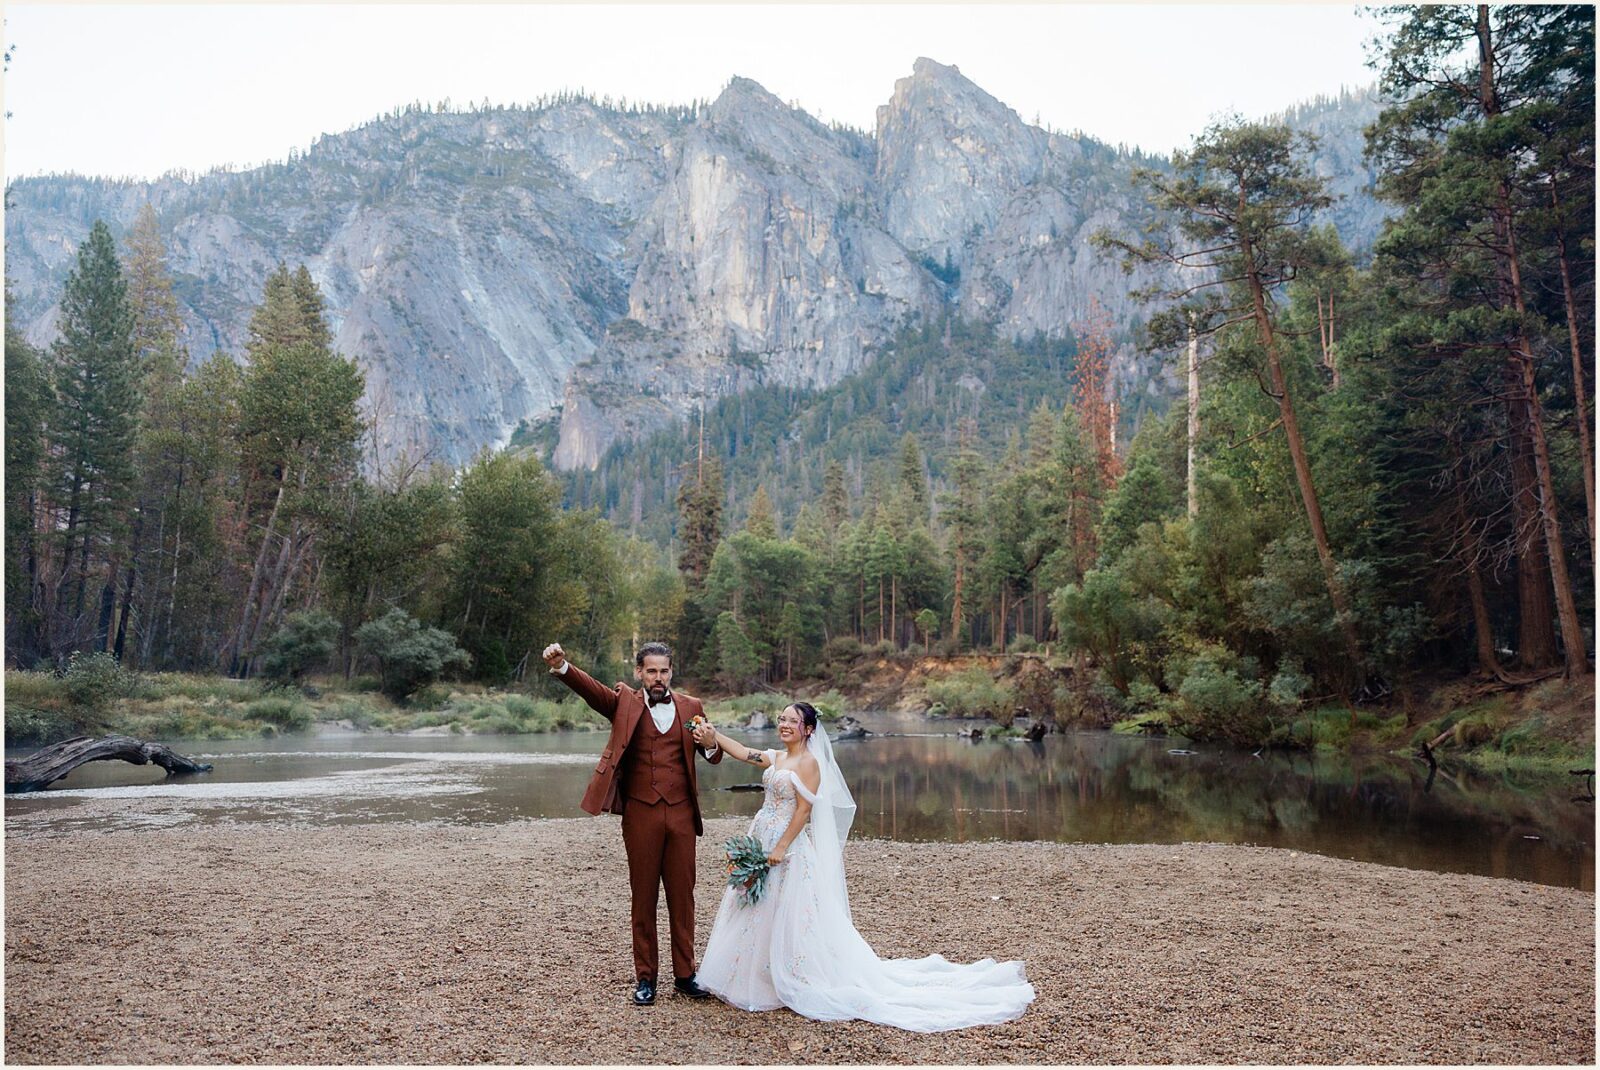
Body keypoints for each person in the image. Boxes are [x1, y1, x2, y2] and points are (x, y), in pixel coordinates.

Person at [691, 703, 1035, 1032]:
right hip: (761, 833)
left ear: (808, 729)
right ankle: (751, 974)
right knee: (757, 904)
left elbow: (803, 812)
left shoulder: (810, 764)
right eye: (782, 719)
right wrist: (714, 735)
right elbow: (742, 752)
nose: (784, 725)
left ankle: (785, 976)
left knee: (787, 909)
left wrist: (781, 847)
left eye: (792, 721)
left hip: (786, 844)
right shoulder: (777, 757)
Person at [542, 640, 724, 1007]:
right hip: (640, 812)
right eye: (651, 671)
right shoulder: (624, 702)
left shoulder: (692, 706)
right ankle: (646, 978)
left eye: (664, 671)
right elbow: (592, 692)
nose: (658, 677)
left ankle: (685, 975)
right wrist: (563, 667)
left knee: (683, 896)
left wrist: (710, 744)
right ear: (639, 672)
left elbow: (713, 755)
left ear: (671, 672)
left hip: (682, 814)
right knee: (643, 896)